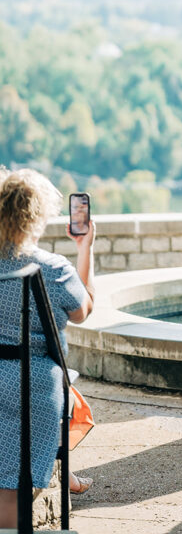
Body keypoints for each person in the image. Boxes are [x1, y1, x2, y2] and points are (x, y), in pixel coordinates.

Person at [0, 168, 95, 529]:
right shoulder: (53, 269)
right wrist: (85, 249)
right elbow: (84, 310)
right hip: (35, 384)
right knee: (15, 490)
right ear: (38, 216)